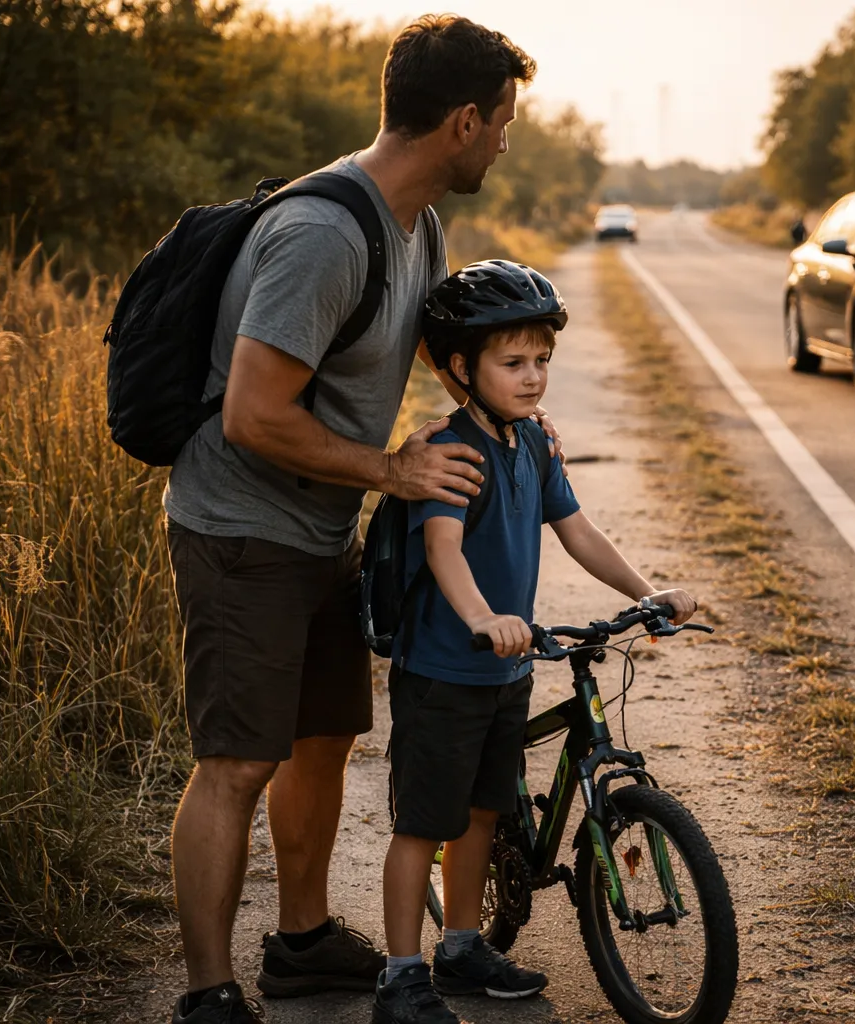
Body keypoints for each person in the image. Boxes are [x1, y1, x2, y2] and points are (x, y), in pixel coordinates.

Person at [161, 17, 548, 1024]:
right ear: (463, 121)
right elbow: (252, 414)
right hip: (240, 530)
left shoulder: (417, 225)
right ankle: (207, 992)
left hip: (323, 531)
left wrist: (499, 416)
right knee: (239, 759)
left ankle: (299, 942)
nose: (507, 139)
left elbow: (437, 354)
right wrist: (391, 468)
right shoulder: (326, 234)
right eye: (503, 121)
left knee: (323, 735)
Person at [376, 261, 699, 1024]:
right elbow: (446, 552)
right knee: (426, 823)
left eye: (542, 362)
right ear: (462, 367)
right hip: (446, 668)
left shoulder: (535, 445)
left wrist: (645, 592)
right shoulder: (452, 452)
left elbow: (579, 530)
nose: (532, 378)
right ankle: (398, 978)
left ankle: (461, 946)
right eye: (512, 363)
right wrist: (486, 618)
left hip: (503, 670)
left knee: (483, 813)